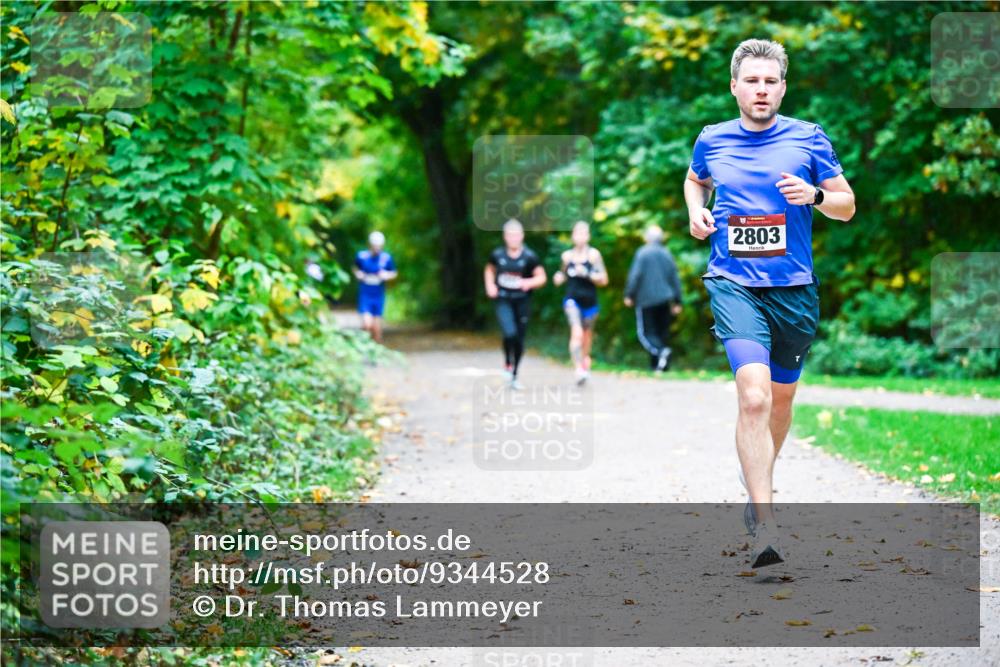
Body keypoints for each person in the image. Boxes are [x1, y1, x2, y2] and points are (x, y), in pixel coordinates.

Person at [684, 39, 856, 568]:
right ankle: (765, 521)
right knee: (753, 398)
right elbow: (695, 181)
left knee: (780, 401)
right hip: (734, 282)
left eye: (771, 81)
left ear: (783, 87)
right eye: (752, 81)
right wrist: (697, 212)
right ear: (734, 86)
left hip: (794, 290)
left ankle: (757, 477)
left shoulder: (808, 138)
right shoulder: (712, 139)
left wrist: (817, 197)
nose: (762, 90)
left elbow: (847, 206)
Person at [484, 219, 547, 389]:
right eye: (510, 235)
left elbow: (541, 277)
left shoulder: (529, 256)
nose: (513, 238)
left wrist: (529, 282)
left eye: (516, 235)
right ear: (505, 237)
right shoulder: (498, 255)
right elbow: (489, 270)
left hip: (522, 300)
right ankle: (507, 362)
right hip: (503, 299)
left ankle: (514, 373)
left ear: (522, 236)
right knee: (509, 333)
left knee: (519, 338)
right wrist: (490, 285)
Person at [553, 221, 608, 385]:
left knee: (586, 337)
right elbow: (561, 275)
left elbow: (604, 279)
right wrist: (558, 278)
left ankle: (584, 362)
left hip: (590, 303)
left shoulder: (593, 255)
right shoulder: (567, 257)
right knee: (576, 332)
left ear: (588, 236)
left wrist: (588, 274)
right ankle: (578, 368)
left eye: (584, 233)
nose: (580, 237)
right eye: (577, 233)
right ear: (573, 236)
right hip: (572, 300)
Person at [624, 225, 683, 372]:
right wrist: (677, 301)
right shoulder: (667, 253)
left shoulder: (642, 253)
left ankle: (661, 352)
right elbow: (674, 278)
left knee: (646, 333)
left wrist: (629, 294)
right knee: (661, 333)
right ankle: (659, 367)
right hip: (665, 300)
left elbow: (635, 276)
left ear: (647, 238)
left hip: (646, 300)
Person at [353, 231, 397, 343]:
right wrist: (359, 274)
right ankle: (365, 346)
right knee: (367, 324)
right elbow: (355, 268)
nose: (377, 248)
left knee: (376, 327)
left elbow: (394, 273)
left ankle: (377, 352)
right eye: (375, 246)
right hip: (365, 293)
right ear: (370, 245)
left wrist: (386, 275)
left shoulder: (386, 258)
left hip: (378, 294)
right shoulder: (361, 256)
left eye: (379, 246)